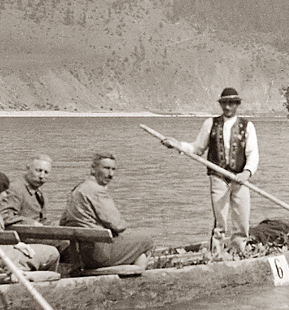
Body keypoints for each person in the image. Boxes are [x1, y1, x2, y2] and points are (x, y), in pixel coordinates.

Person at [163, 87, 259, 253]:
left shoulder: (247, 126)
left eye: (231, 103)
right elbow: (197, 148)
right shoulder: (211, 124)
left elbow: (253, 154)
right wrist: (178, 145)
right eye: (224, 103)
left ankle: (239, 251)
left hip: (240, 178)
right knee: (220, 220)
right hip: (218, 176)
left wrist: (246, 173)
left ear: (237, 105)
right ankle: (217, 253)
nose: (227, 107)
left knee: (242, 219)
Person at [60, 152, 155, 271]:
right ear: (93, 169)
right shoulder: (97, 191)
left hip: (79, 255)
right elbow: (118, 225)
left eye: (113, 169)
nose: (111, 174)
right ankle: (135, 279)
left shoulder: (77, 190)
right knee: (147, 241)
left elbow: (63, 222)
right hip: (98, 255)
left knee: (134, 245)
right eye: (106, 168)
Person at [0, 171, 60, 280]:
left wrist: (16, 244)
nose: (5, 196)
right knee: (52, 253)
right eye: (4, 192)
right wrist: (10, 268)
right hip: (2, 262)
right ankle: (47, 287)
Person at [0, 155, 53, 228]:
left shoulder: (40, 193)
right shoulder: (16, 189)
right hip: (23, 235)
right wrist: (32, 223)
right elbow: (4, 217)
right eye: (38, 170)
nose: (41, 176)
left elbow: (42, 220)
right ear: (28, 169)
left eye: (46, 172)